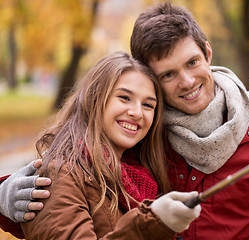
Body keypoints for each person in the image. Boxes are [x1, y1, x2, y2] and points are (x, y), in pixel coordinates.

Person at [0, 2, 249, 239]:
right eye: (168, 74)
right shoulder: (142, 136)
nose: (186, 81)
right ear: (149, 78)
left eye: (192, 62)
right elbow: (68, 196)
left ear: (207, 53)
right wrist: (5, 195)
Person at [0, 51, 201, 239]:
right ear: (95, 98)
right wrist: (153, 224)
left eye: (148, 105)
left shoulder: (143, 177)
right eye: (124, 97)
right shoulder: (60, 174)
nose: (137, 112)